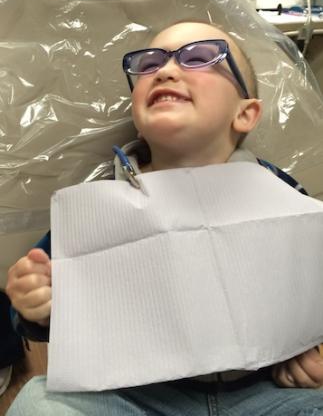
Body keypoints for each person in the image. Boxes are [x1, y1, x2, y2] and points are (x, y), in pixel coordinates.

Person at [5, 21, 323, 415]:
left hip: (264, 392)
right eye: (149, 63)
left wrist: (312, 350)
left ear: (245, 114)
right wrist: (36, 304)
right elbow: (52, 303)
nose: (167, 70)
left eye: (201, 58)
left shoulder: (281, 195)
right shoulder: (99, 207)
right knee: (39, 403)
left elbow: (311, 283)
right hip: (140, 394)